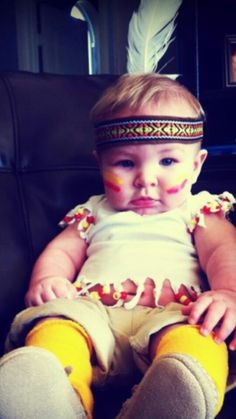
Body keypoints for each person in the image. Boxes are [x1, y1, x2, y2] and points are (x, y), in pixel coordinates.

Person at [0, 74, 236, 419]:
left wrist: (228, 292)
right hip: (92, 314)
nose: (145, 179)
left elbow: (222, 251)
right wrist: (47, 280)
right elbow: (63, 251)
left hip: (174, 316)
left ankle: (178, 390)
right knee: (56, 328)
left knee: (200, 340)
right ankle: (52, 393)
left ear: (197, 165)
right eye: (126, 163)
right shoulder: (94, 211)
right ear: (101, 164)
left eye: (167, 162)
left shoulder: (198, 209)